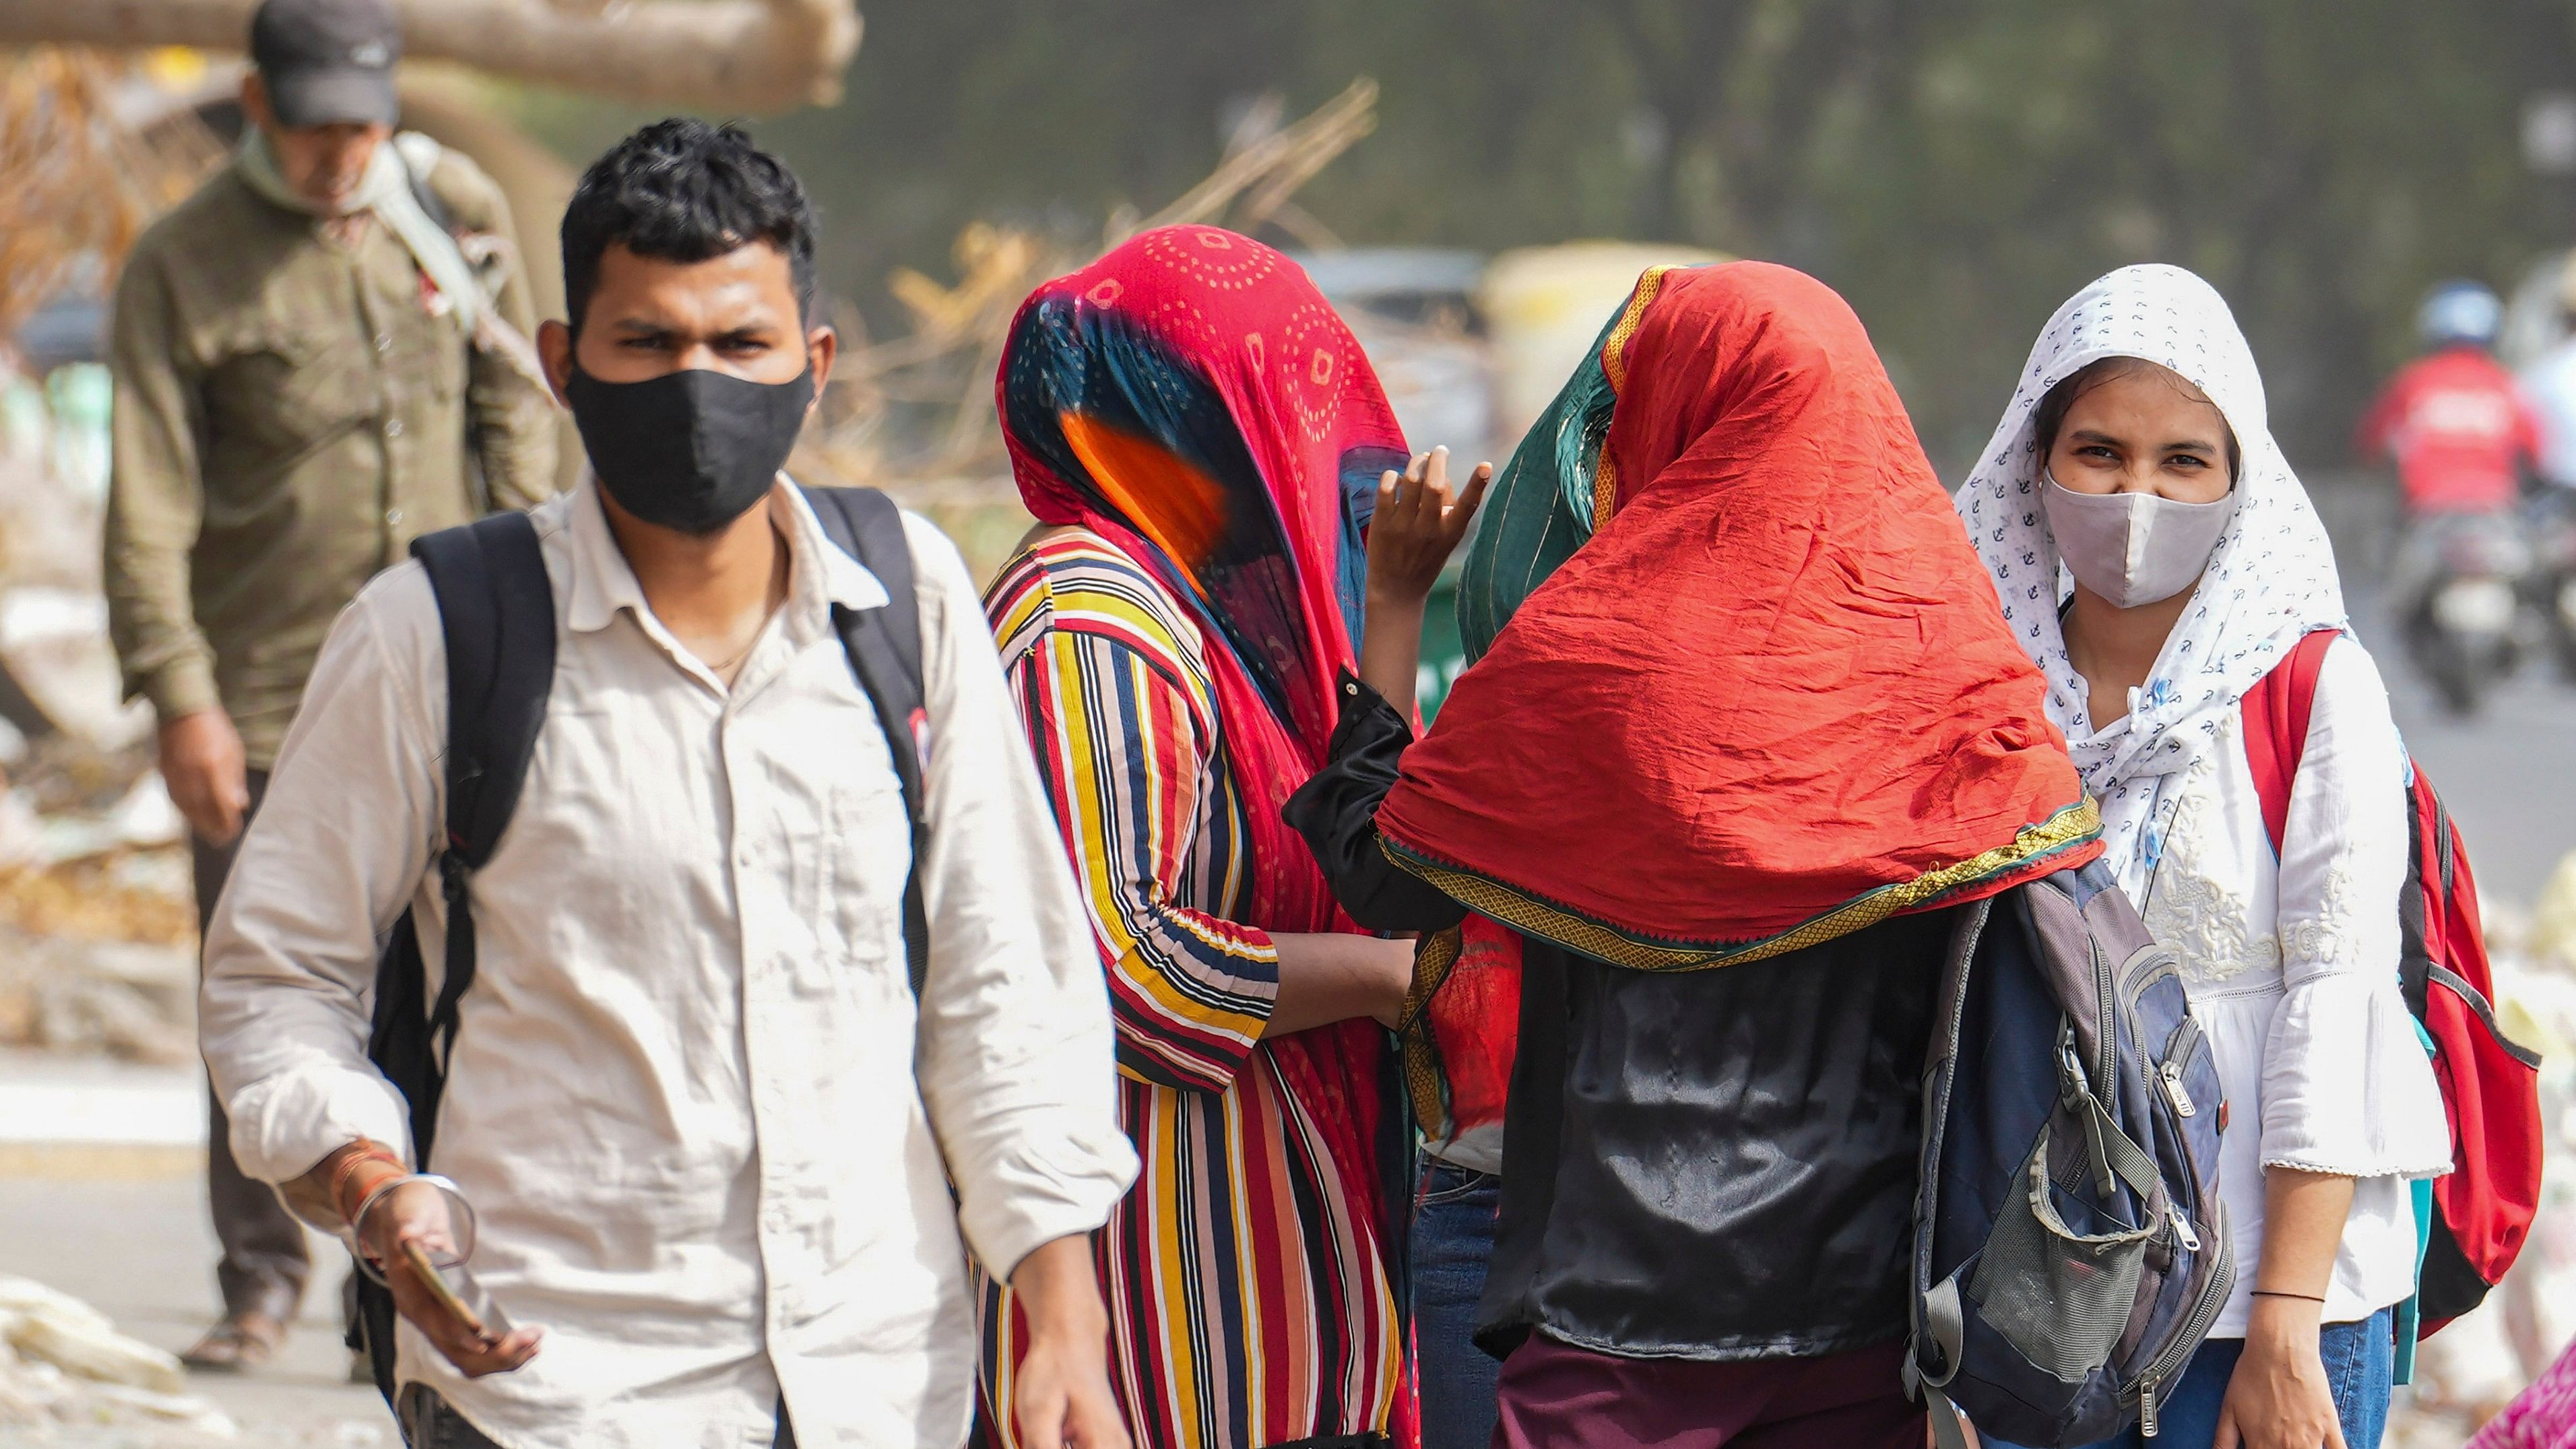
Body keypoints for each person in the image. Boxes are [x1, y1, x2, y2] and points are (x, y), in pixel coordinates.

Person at [198, 119, 1136, 1448]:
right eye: (646, 344)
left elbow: (1006, 983)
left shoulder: (905, 604)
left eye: (739, 345)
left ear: (812, 366)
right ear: (561, 365)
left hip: (875, 1387)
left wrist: (1066, 1325)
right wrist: (374, 1185)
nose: (697, 383)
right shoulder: (435, 631)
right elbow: (276, 977)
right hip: (552, 1389)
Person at [1285, 260, 2101, 1449]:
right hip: (1858, 1325)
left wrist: (1397, 605)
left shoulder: (1591, 662)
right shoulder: (1947, 649)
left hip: (1616, 1319)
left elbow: (1381, 872)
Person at [102, 0, 556, 1371]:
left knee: (437, 983)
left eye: (361, 124)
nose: (338, 154)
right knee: (258, 988)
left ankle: (403, 1289)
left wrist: (534, 622)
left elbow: (515, 414)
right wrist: (179, 694)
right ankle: (256, 1279)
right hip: (261, 696)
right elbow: (148, 497)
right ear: (256, 107)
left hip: (443, 675)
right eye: (312, 130)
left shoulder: (449, 204)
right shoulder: (184, 265)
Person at [1957, 263, 2455, 1449]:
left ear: (2240, 479)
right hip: (2036, 1303)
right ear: (2036, 463)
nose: (2139, 496)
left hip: (2272, 1315)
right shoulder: (1981, 690)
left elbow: (2333, 1005)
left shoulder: (2310, 687)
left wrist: (2284, 1328)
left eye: (2185, 460)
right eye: (2100, 453)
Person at [980, 226, 1423, 1449]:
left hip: (1270, 1305)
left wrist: (1394, 600)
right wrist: (1388, 984)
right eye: (1261, 404)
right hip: (1162, 1331)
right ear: (1181, 421)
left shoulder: (1197, 613)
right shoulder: (1091, 618)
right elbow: (1112, 968)